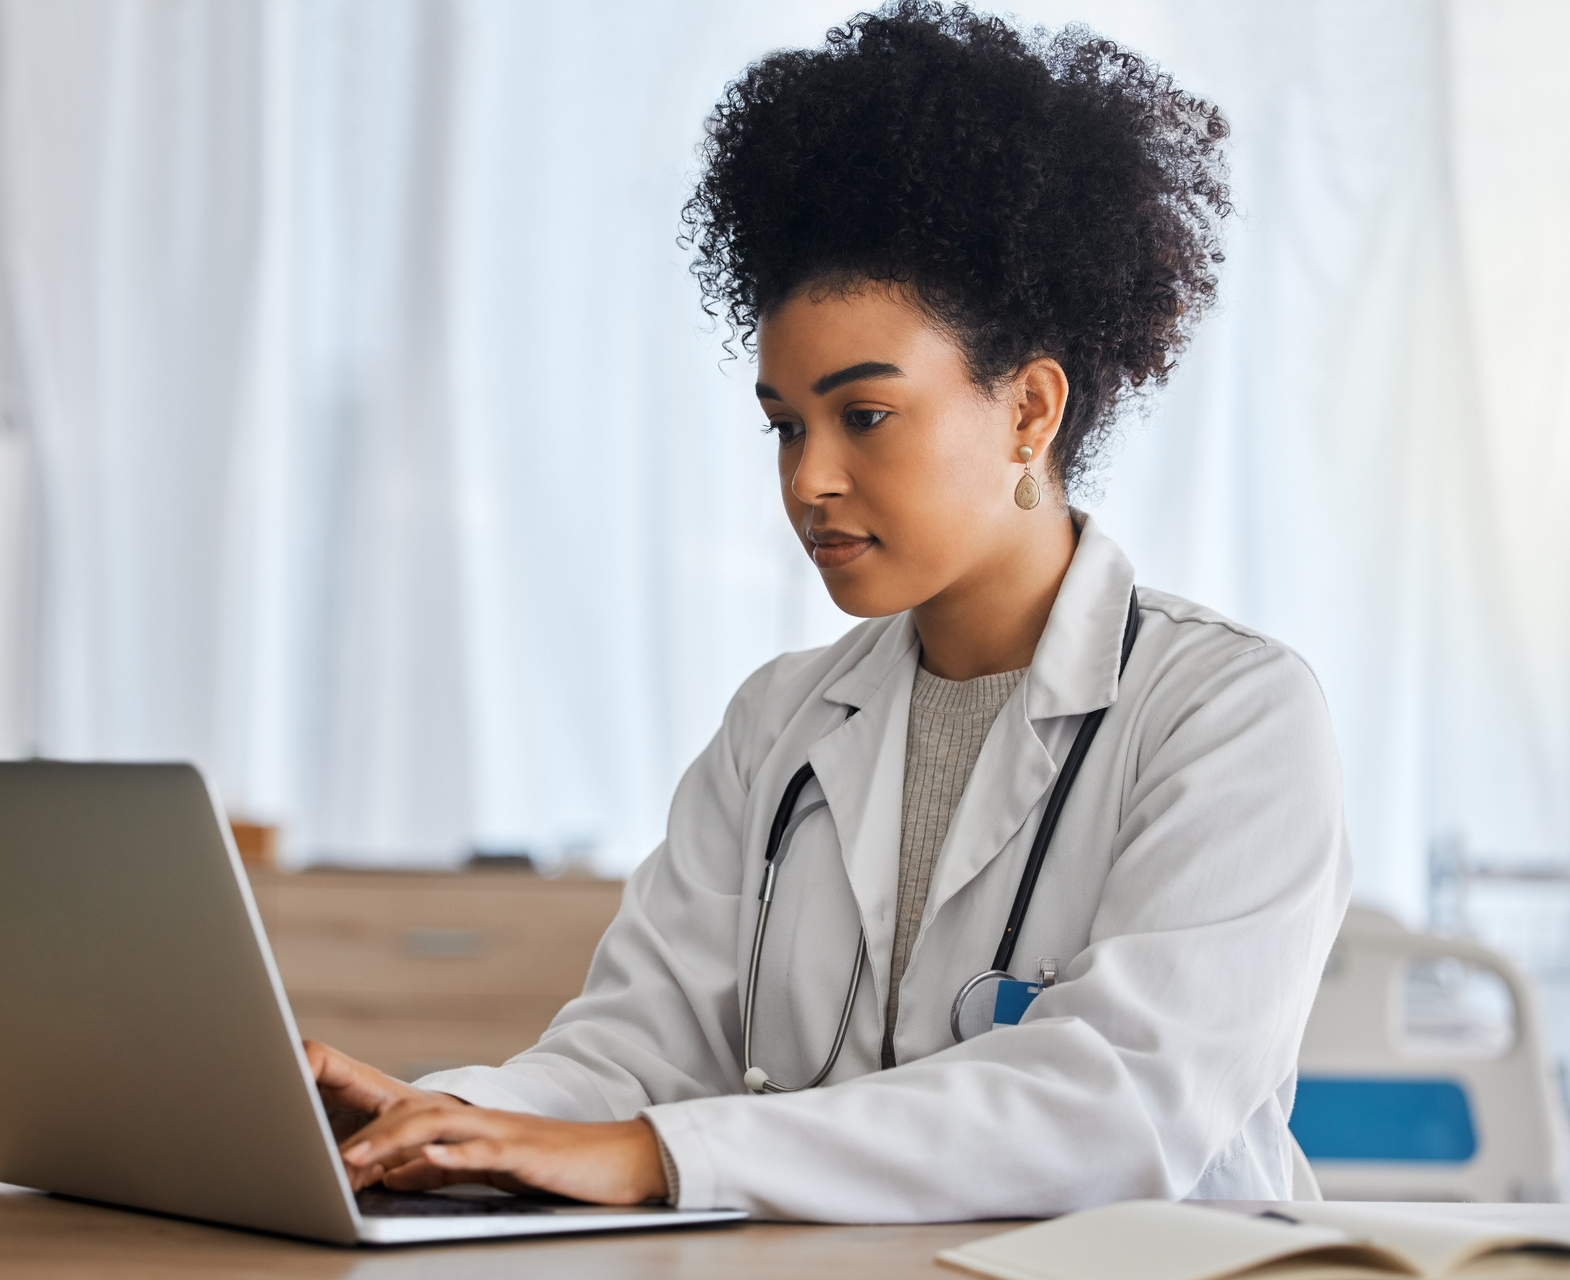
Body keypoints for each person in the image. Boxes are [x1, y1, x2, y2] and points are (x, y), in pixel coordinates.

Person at [306, 1, 1351, 1222]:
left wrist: (657, 1154)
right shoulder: (779, 723)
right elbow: (632, 1053)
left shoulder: (1230, 713)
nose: (808, 478)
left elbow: (1119, 1104)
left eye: (864, 415)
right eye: (786, 423)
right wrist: (441, 1118)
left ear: (1028, 411)